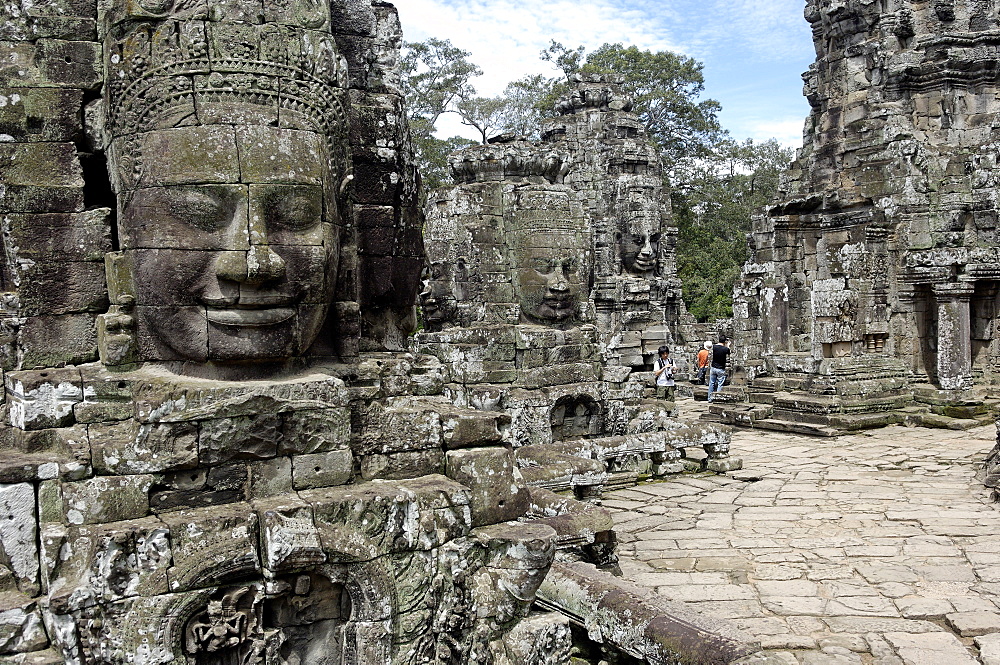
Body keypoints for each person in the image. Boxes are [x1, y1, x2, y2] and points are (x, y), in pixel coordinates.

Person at [707, 336, 731, 402]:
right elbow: (729, 353)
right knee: (720, 384)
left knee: (711, 383)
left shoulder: (713, 347)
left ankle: (710, 398)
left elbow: (710, 356)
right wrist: (728, 345)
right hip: (721, 368)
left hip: (713, 367)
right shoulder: (725, 349)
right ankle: (717, 397)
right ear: (725, 342)